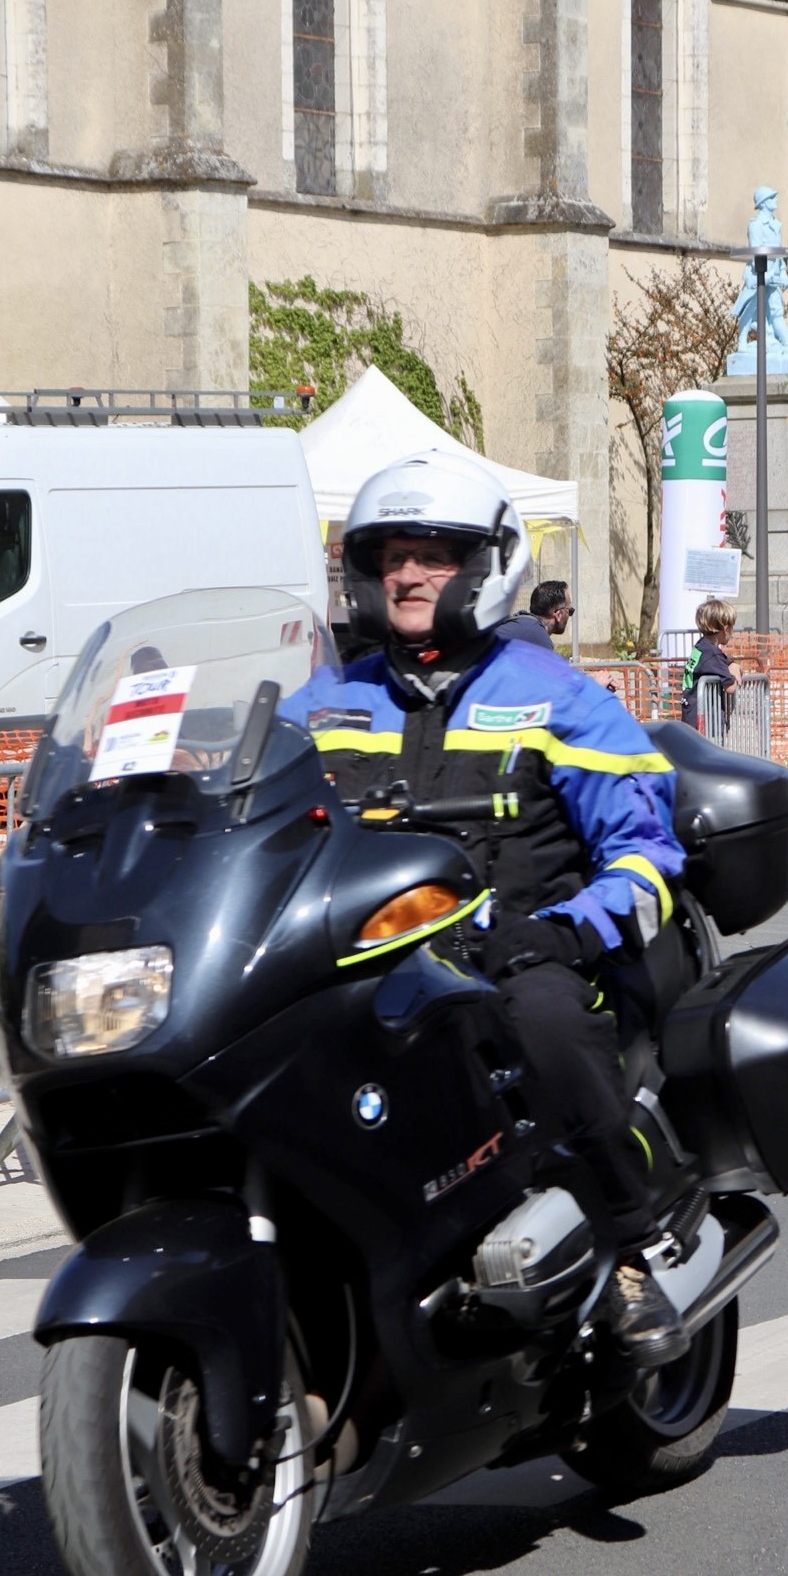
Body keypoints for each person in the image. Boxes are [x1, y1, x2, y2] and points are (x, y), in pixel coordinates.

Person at [284, 454, 689, 1365]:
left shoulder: (558, 697)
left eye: (433, 554)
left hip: (515, 954)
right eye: (389, 556)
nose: (407, 574)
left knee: (545, 1024)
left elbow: (646, 855)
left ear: (485, 566)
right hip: (363, 959)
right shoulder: (325, 702)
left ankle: (630, 1252)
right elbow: (241, 804)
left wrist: (564, 931)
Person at [681, 598, 737, 732]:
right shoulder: (712, 653)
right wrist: (736, 673)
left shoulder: (702, 646)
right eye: (732, 628)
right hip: (705, 723)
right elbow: (730, 687)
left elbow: (722, 661)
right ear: (725, 629)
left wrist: (732, 664)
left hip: (692, 715)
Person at [498, 578, 572, 653]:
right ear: (558, 614)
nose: (569, 615)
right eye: (569, 611)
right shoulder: (539, 639)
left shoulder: (520, 623)